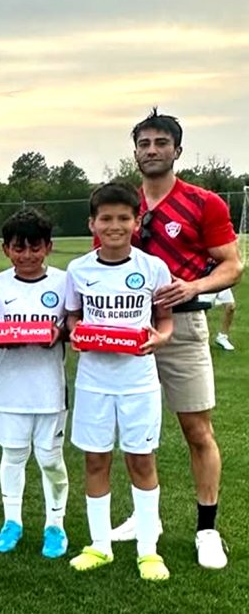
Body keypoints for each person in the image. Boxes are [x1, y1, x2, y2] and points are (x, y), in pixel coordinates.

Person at [110, 110, 243, 570]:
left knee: (196, 430)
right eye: (144, 143)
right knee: (133, 432)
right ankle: (144, 516)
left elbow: (232, 265)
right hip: (128, 328)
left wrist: (194, 287)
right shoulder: (124, 204)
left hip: (184, 327)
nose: (151, 150)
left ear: (176, 150)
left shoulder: (203, 202)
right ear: (135, 152)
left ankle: (207, 528)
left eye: (160, 143)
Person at [65, 182, 173, 581]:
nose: (114, 226)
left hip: (139, 381)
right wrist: (77, 332)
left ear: (136, 221)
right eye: (105, 218)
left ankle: (148, 550)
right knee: (96, 459)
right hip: (94, 381)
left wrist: (158, 339)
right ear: (92, 223)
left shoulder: (153, 268)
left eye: (123, 218)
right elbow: (73, 318)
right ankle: (99, 545)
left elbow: (165, 323)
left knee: (141, 460)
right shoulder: (78, 270)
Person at [0, 209, 70, 559]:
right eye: (19, 248)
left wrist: (60, 332)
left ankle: (55, 525)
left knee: (50, 459)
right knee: (13, 456)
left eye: (35, 247)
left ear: (48, 247)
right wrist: (0, 336)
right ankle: (12, 521)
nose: (28, 255)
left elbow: (74, 325)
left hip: (50, 389)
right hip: (10, 390)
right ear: (6, 250)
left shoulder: (64, 282)